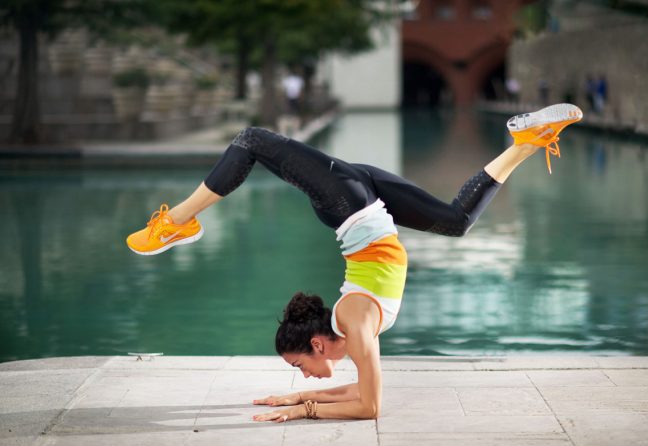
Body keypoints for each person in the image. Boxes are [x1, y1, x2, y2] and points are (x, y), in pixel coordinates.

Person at [126, 103, 583, 422]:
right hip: (362, 200)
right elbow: (366, 398)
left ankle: (179, 221)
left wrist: (302, 408)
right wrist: (303, 396)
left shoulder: (353, 319)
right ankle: (526, 142)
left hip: (349, 203)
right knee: (456, 221)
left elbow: (369, 407)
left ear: (319, 346)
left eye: (299, 366)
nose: (300, 372)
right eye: (299, 371)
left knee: (252, 140)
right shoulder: (355, 329)